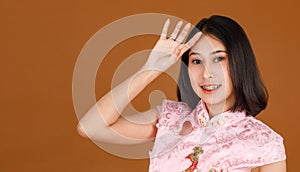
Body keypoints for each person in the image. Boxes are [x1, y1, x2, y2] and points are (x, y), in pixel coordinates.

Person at [77, 15, 286, 171]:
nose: (206, 73)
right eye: (196, 61)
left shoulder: (264, 142)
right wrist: (149, 70)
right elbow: (90, 127)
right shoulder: (171, 120)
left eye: (218, 58)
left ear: (240, 62)